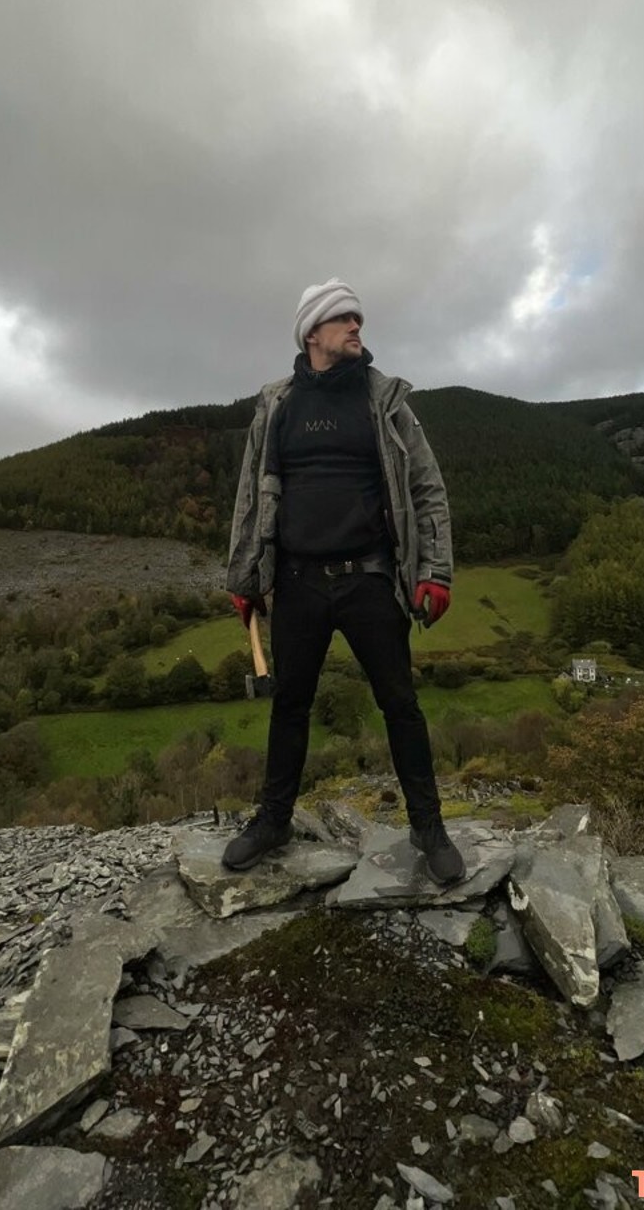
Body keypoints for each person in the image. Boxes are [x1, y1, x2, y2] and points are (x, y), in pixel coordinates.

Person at [223, 278, 464, 884]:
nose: (357, 326)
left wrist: (434, 572)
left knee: (400, 705)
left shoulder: (385, 401)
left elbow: (427, 489)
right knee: (290, 705)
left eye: (358, 317)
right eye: (343, 318)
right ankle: (274, 820)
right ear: (312, 333)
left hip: (371, 578)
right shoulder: (277, 405)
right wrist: (245, 577)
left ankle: (429, 826)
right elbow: (251, 496)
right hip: (297, 583)